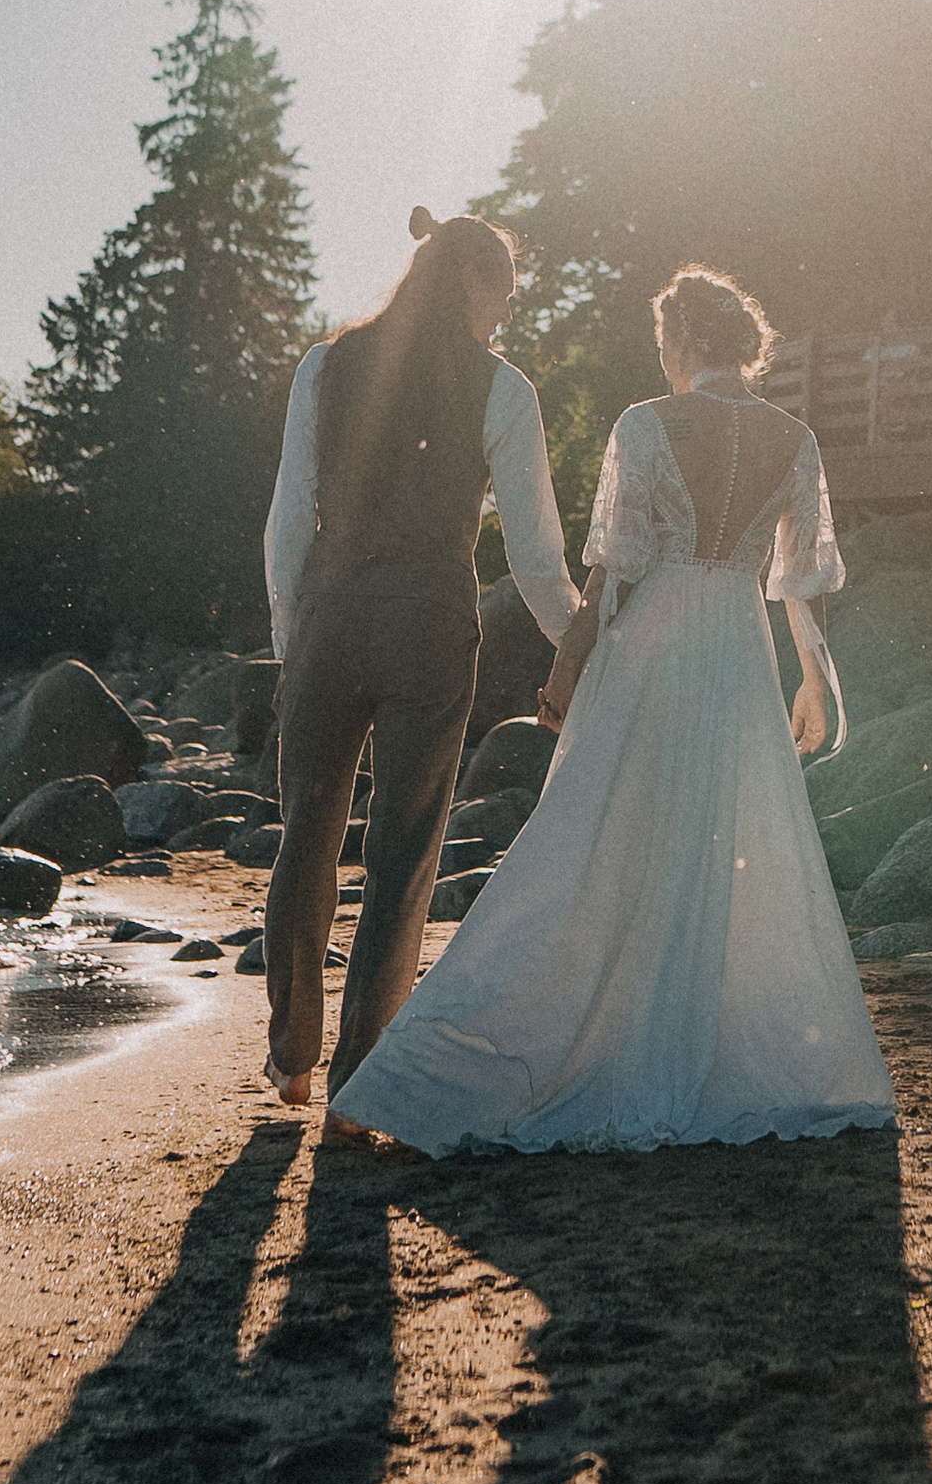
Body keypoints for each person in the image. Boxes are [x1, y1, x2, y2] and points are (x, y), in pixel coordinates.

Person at [330, 264, 896, 1156]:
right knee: (718, 847)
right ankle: (695, 1043)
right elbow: (803, 586)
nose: (663, 358)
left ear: (686, 342)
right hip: (740, 655)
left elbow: (609, 575)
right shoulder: (796, 438)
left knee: (585, 844)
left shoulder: (645, 425)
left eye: (665, 343)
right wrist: (817, 682)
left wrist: (565, 679)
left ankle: (452, 1065)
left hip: (656, 651)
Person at [260, 207, 578, 1135]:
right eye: (504, 298)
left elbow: (286, 524)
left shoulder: (327, 365)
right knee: (402, 855)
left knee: (306, 834)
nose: (505, 320)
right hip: (434, 631)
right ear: (472, 284)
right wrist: (584, 643)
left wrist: (295, 642)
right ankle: (359, 1086)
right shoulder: (503, 390)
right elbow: (533, 558)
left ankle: (290, 1055)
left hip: (329, 620)